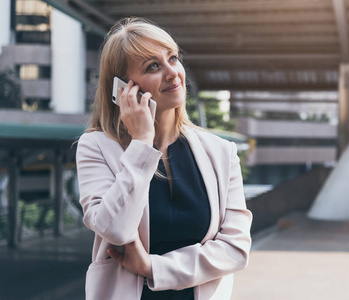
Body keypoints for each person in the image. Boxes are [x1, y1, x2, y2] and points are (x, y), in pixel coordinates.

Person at [76, 17, 252, 300]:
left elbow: (236, 249)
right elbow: (116, 230)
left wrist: (152, 267)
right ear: (123, 89)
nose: (173, 73)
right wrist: (142, 143)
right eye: (153, 67)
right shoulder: (95, 147)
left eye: (173, 58)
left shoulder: (220, 152)